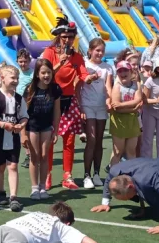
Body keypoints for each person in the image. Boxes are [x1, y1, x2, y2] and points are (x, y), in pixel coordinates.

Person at [41, 18, 88, 190]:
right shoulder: (50, 52)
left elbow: (83, 73)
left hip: (69, 101)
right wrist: (59, 62)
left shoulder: (76, 56)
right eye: (64, 37)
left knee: (69, 141)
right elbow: (44, 75)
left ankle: (67, 176)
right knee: (50, 140)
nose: (67, 40)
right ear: (58, 37)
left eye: (70, 37)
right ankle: (47, 174)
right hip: (51, 101)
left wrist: (89, 78)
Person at [0, 64, 29, 212]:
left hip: (14, 139)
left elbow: (24, 116)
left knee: (13, 166)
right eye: (12, 78)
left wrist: (21, 125)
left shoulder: (19, 98)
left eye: (17, 78)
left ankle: (13, 197)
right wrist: (4, 125)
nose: (15, 81)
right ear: (2, 79)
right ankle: (0, 192)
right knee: (0, 167)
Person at [24, 58, 62, 200]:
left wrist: (56, 130)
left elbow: (57, 111)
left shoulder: (55, 89)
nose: (46, 75)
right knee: (35, 157)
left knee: (45, 156)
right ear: (37, 74)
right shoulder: (30, 89)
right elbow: (23, 112)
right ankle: (34, 188)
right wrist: (23, 133)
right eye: (43, 73)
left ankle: (42, 187)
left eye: (49, 72)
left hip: (47, 126)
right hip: (32, 127)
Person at [81, 39, 112, 187]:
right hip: (87, 105)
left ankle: (96, 174)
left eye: (102, 51)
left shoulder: (107, 68)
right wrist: (80, 107)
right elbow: (79, 83)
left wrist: (110, 101)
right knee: (91, 139)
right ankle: (86, 175)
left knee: (99, 140)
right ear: (90, 50)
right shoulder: (84, 65)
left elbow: (108, 87)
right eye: (97, 50)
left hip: (101, 107)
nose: (99, 53)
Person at [108, 60, 142, 166]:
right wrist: (132, 109)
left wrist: (122, 105)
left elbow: (138, 99)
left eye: (125, 70)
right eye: (120, 71)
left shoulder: (136, 84)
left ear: (131, 71)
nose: (123, 73)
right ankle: (113, 175)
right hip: (119, 122)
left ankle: (131, 176)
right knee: (118, 152)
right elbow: (116, 108)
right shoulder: (117, 86)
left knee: (131, 151)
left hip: (132, 121)